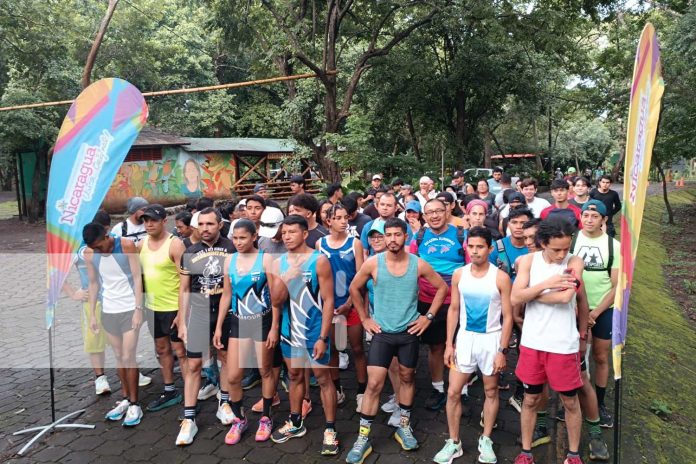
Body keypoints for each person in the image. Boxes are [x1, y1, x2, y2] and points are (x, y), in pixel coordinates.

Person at [346, 218, 447, 463]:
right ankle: (363, 437)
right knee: (374, 384)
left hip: (408, 333)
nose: (392, 239)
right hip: (382, 333)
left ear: (406, 237)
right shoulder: (374, 263)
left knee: (407, 377)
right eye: (387, 235)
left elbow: (442, 288)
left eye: (397, 235)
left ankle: (404, 425)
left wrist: (428, 318)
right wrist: (365, 318)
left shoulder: (418, 264)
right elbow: (354, 289)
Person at [511, 219, 589, 464]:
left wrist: (531, 293)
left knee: (570, 401)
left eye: (566, 248)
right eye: (556, 249)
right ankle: (526, 452)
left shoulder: (575, 262)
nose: (562, 254)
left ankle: (573, 454)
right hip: (533, 343)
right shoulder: (527, 261)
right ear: (542, 243)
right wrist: (546, 285)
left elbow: (565, 298)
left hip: (563, 344)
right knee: (531, 399)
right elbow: (514, 297)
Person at [434, 226, 513, 464]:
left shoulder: (500, 277)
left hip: (491, 339)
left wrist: (502, 350)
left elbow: (508, 316)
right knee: (453, 392)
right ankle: (454, 441)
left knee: (490, 391)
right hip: (465, 339)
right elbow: (454, 309)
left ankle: (486, 439)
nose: (475, 251)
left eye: (480, 247)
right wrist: (449, 343)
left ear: (490, 249)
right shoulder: (460, 274)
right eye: (471, 246)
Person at [270, 216, 339, 456]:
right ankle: (295, 421)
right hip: (290, 332)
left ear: (304, 234)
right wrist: (287, 277)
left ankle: (330, 429)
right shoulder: (279, 263)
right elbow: (276, 301)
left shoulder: (318, 261)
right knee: (294, 375)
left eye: (292, 232)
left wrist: (323, 336)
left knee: (322, 379)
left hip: (314, 331)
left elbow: (329, 299)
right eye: (284, 232)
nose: (287, 236)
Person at [211, 219, 280, 445]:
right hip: (239, 322)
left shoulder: (266, 259)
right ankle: (239, 419)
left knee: (265, 371)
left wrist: (274, 327)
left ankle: (266, 417)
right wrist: (220, 326)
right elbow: (227, 295)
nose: (238, 242)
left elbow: (276, 297)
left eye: (243, 238)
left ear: (254, 236)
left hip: (263, 321)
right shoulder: (229, 260)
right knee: (232, 376)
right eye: (235, 238)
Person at [175, 208, 236, 445]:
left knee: (225, 358)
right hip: (199, 311)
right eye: (201, 224)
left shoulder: (231, 247)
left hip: (225, 310)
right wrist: (182, 319)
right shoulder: (189, 251)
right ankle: (189, 419)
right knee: (193, 364)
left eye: (210, 224)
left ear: (220, 225)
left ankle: (225, 403)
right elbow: (184, 289)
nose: (205, 228)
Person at [84, 222, 144, 427]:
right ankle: (126, 399)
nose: (98, 250)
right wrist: (92, 314)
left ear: (107, 234)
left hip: (129, 308)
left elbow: (137, 277)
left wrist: (138, 309)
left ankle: (136, 403)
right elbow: (93, 283)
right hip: (108, 310)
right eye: (94, 248)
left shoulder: (126, 245)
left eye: (100, 245)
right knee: (118, 356)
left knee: (128, 356)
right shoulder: (90, 254)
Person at [409, 199, 467, 411]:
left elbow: (470, 267)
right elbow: (411, 265)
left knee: (459, 345)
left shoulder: (461, 236)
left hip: (456, 300)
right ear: (424, 216)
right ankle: (438, 387)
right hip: (427, 300)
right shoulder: (419, 236)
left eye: (438, 211)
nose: (434, 216)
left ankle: (461, 388)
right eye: (429, 212)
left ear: (447, 211)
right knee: (435, 346)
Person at [572, 200, 619, 429]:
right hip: (572, 307)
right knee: (575, 355)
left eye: (594, 216)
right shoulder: (571, 239)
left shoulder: (614, 246)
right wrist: (580, 311)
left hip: (602, 308)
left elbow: (616, 285)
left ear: (604, 220)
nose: (589, 219)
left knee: (600, 356)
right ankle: (571, 399)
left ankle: (599, 403)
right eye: (586, 215)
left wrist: (594, 313)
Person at [317, 204, 367, 412]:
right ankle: (337, 388)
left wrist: (349, 303)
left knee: (357, 348)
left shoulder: (354, 243)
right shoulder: (320, 244)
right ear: (329, 221)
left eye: (345, 217)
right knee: (335, 349)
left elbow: (360, 277)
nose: (344, 221)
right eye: (338, 217)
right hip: (330, 307)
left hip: (350, 304)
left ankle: (362, 391)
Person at [139, 204, 187, 413]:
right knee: (161, 349)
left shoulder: (175, 244)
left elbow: (186, 280)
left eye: (153, 220)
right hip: (153, 308)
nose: (149, 224)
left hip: (173, 308)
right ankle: (169, 390)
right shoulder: (141, 244)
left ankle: (190, 392)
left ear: (163, 221)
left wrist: (181, 312)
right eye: (145, 220)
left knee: (181, 352)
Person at [63, 210, 110, 396]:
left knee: (121, 340)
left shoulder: (112, 241)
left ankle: (132, 372)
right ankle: (100, 378)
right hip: (93, 301)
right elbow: (56, 273)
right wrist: (73, 293)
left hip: (115, 299)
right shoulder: (78, 248)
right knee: (95, 341)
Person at [360, 193, 399, 257]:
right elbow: (364, 252)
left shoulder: (403, 227)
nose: (385, 208)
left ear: (396, 207)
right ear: (376, 206)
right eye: (382, 204)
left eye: (389, 205)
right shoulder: (368, 226)